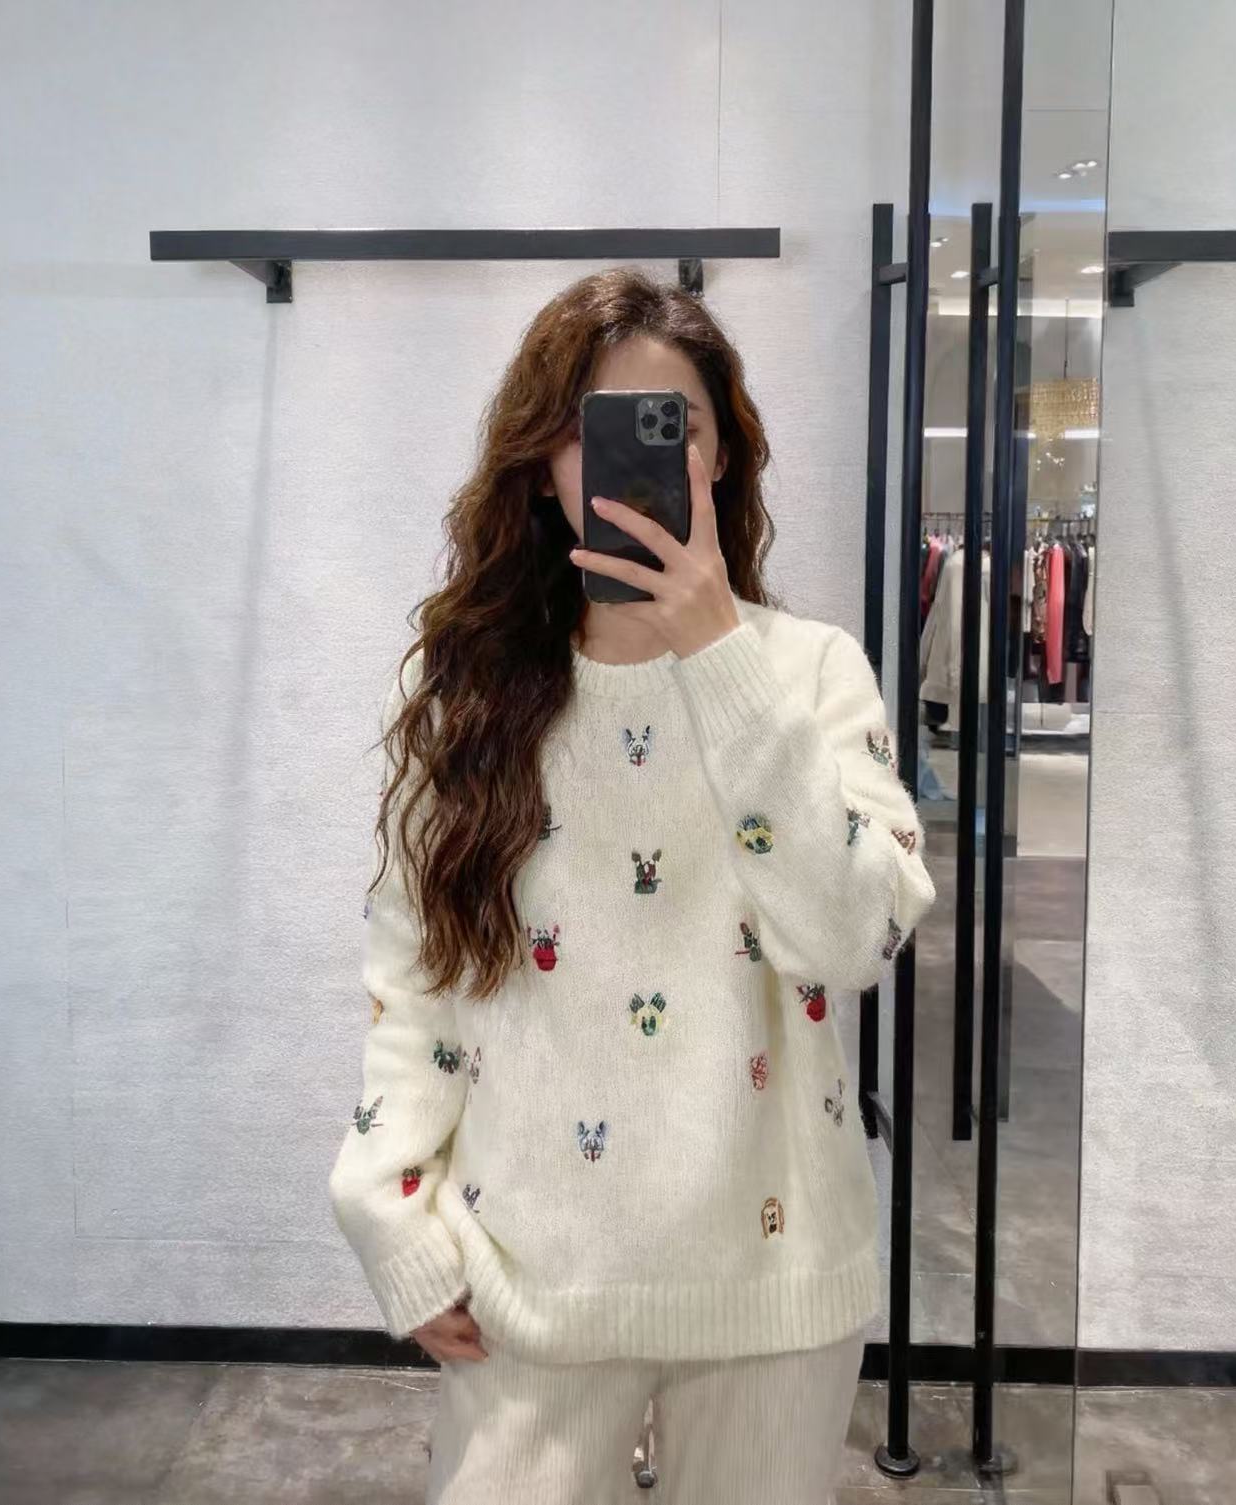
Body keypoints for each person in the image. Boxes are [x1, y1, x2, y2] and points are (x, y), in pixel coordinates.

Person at [328, 266, 937, 1504]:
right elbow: (417, 969)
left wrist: (717, 653)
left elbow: (852, 937)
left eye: (671, 426)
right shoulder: (468, 694)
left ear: (719, 455)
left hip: (774, 1281)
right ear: (541, 464)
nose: (623, 463)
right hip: (530, 1272)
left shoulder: (810, 672)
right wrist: (387, 1204)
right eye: (586, 427)